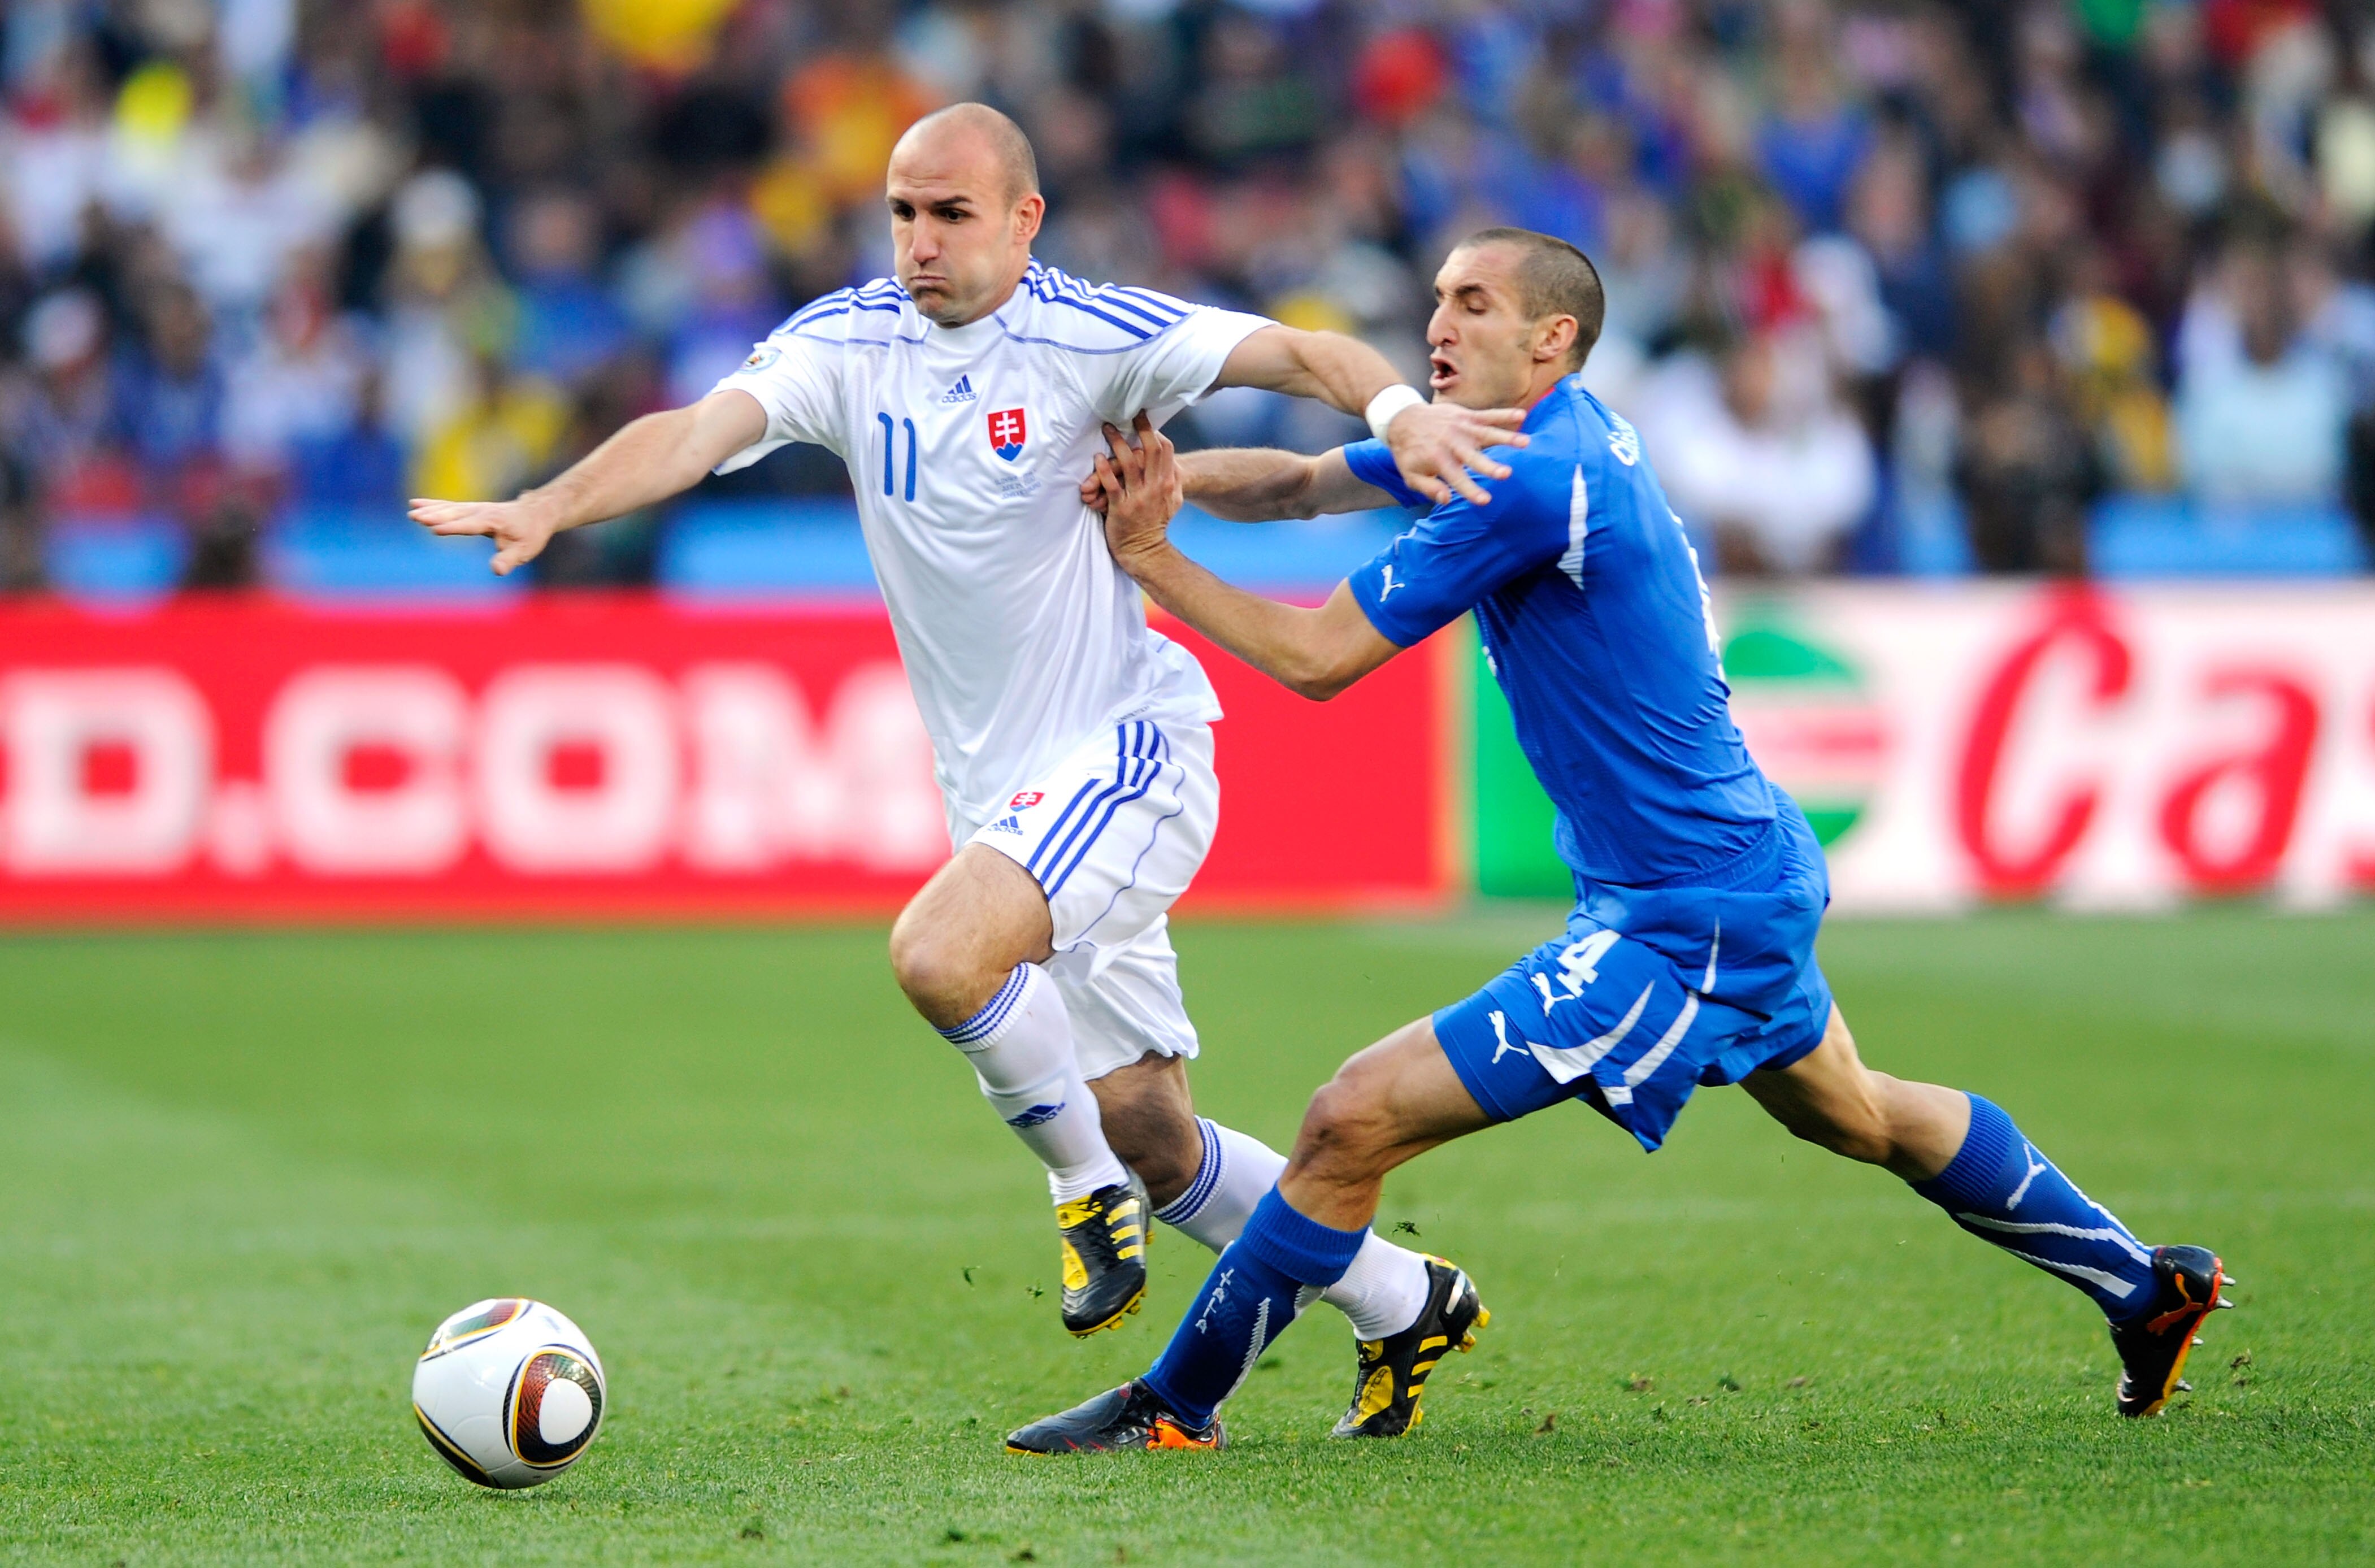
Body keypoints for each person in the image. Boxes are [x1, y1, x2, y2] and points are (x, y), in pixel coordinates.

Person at [1006, 227, 2234, 1454]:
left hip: (1684, 912)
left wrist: (1148, 551)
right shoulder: (1517, 436)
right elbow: (1302, 484)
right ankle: (2145, 1286)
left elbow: (1320, 658)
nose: (1436, 326)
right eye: (1437, 299)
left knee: (1349, 1119)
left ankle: (1173, 1409)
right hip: (1730, 869)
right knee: (1857, 1115)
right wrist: (1153, 476)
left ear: (1552, 338)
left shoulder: (1530, 478)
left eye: (1472, 303)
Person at [408, 105, 1513, 1362]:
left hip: (1127, 750)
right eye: (902, 213)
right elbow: (696, 433)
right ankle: (1404, 1300)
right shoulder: (845, 341)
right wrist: (554, 501)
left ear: (1024, 220)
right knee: (1157, 1136)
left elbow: (1302, 354)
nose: (920, 241)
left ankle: (1078, 1189)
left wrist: (1398, 417)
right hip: (1000, 794)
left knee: (941, 956)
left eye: (951, 214)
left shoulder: (1088, 335)